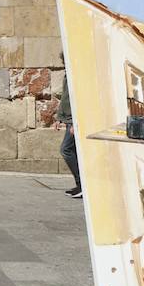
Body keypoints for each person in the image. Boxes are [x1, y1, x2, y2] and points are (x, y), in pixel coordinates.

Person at [53, 68, 82, 198]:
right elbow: (65, 97)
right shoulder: (68, 72)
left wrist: (76, 121)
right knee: (74, 151)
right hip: (68, 119)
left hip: (73, 119)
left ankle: (82, 185)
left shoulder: (77, 73)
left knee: (66, 150)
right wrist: (59, 118)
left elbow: (80, 98)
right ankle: (80, 185)